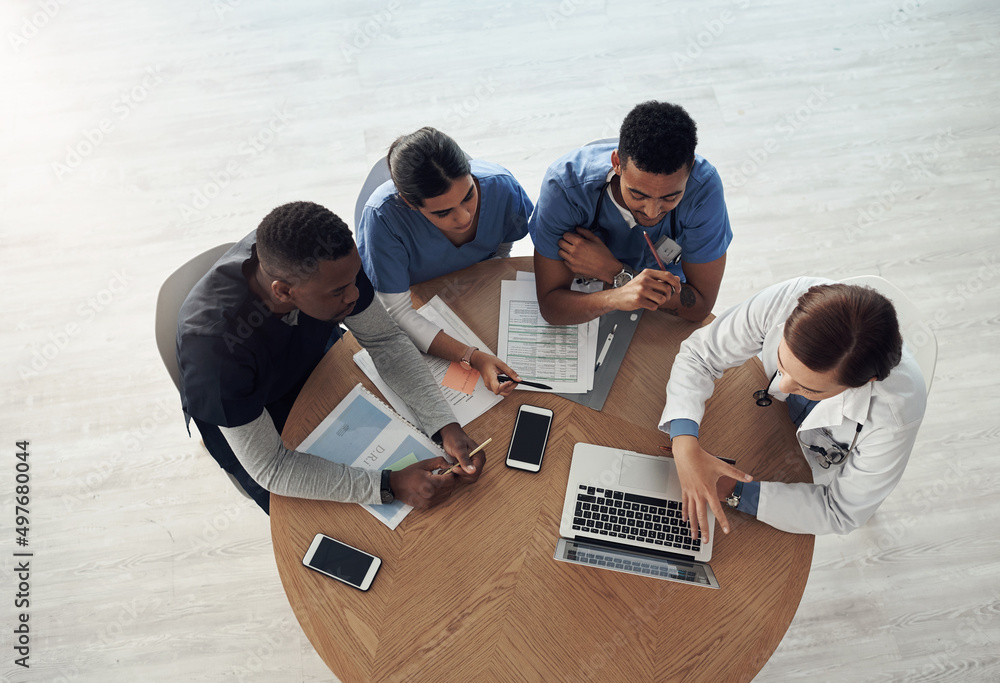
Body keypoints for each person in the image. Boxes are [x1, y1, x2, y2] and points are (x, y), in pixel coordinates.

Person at [176, 201, 485, 515]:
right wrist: (387, 486)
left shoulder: (327, 260)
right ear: (283, 292)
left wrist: (445, 425)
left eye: (355, 279)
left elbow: (384, 340)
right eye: (339, 291)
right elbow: (272, 468)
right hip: (247, 407)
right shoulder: (214, 354)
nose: (355, 295)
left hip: (312, 360)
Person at [659, 277, 927, 541]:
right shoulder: (787, 301)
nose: (783, 387)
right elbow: (699, 355)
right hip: (766, 423)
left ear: (862, 383)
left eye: (809, 387)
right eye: (781, 364)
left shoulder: (894, 416)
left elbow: (840, 512)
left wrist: (731, 488)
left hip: (800, 467)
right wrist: (684, 441)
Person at [357, 127, 534, 396]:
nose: (464, 217)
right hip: (423, 305)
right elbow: (398, 313)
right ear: (409, 203)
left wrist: (489, 272)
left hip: (479, 294)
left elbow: (503, 246)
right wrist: (471, 357)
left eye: (469, 196)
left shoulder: (501, 186)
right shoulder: (383, 218)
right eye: (443, 212)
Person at [530, 101, 733, 325]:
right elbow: (551, 307)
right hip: (630, 292)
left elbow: (700, 307)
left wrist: (617, 274)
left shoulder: (703, 189)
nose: (652, 212)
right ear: (616, 163)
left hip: (656, 292)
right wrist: (617, 296)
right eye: (638, 195)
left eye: (670, 197)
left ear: (691, 167)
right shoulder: (565, 188)